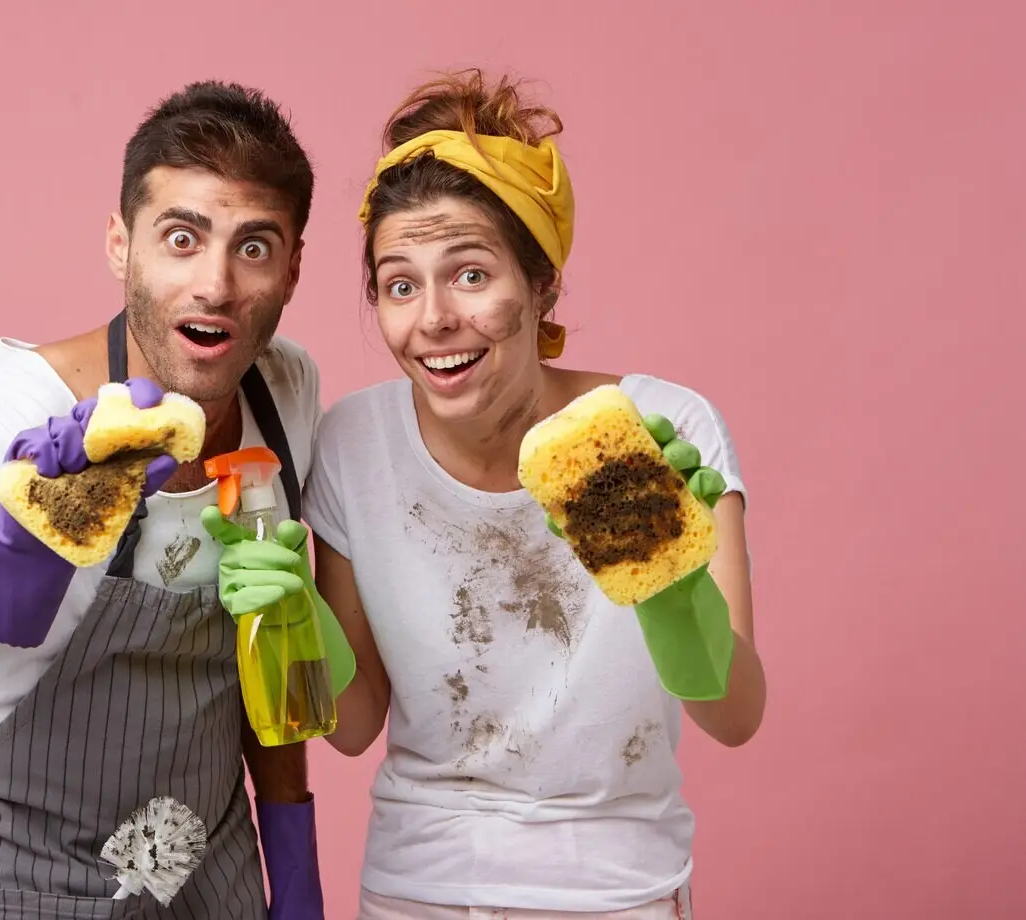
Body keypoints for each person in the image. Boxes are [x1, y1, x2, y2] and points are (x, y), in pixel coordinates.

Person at [202, 69, 766, 918]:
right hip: (416, 889)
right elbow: (355, 726)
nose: (433, 318)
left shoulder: (658, 429)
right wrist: (294, 615)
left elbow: (736, 715)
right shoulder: (355, 443)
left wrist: (671, 588)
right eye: (401, 284)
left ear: (541, 285)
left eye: (469, 275)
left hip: (621, 892)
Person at [0, 79, 352, 919]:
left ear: (294, 268)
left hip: (207, 864)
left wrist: (294, 868)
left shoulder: (285, 390)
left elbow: (265, 649)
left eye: (254, 247)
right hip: (18, 869)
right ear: (121, 246)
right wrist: (15, 543)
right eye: (181, 239)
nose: (216, 285)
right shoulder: (25, 408)